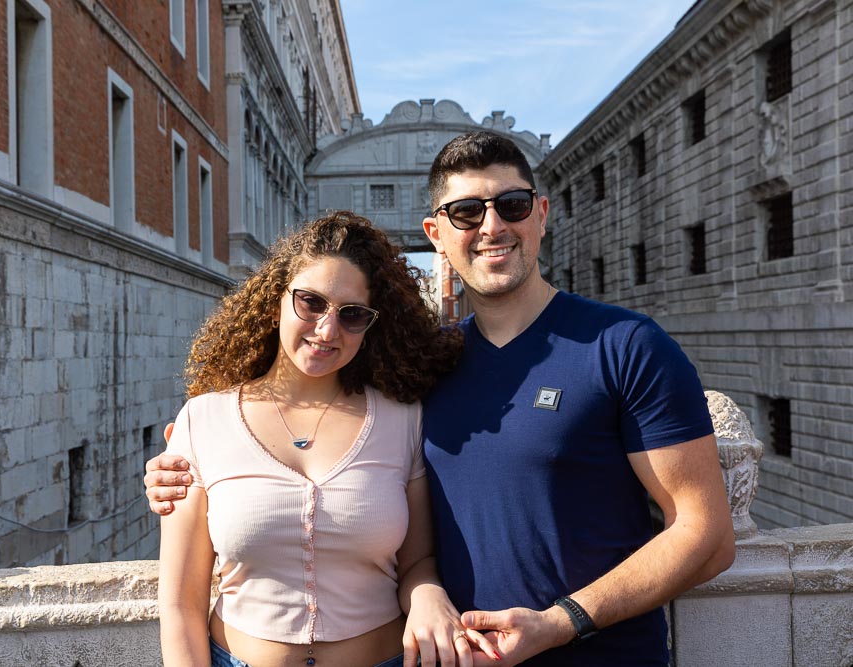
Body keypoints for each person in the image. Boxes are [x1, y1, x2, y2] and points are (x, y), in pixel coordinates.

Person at [147, 132, 735, 666]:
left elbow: (707, 536)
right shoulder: (430, 369)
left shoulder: (628, 346)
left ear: (541, 214)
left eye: (512, 205)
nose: (491, 227)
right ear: (436, 234)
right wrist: (175, 467)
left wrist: (561, 623)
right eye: (465, 212)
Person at [156, 211, 497, 667]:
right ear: (276, 298)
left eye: (352, 315)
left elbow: (417, 562)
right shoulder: (202, 420)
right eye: (311, 302)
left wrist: (428, 593)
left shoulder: (403, 419)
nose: (326, 330)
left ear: (372, 324)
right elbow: (180, 602)